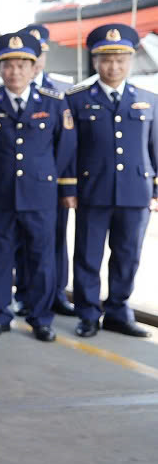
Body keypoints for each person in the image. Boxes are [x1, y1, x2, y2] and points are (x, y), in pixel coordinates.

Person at [0, 31, 74, 343]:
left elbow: (65, 148)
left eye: (21, 65)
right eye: (8, 65)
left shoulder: (54, 103)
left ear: (33, 69)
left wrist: (51, 179)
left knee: (41, 259)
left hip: (40, 195)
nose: (14, 72)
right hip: (1, 193)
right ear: (0, 69)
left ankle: (40, 318)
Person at [66, 23, 158, 339]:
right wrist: (69, 188)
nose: (113, 66)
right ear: (95, 61)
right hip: (93, 191)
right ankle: (88, 314)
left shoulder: (149, 99)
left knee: (127, 256)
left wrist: (156, 190)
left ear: (130, 60)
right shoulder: (76, 100)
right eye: (106, 59)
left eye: (120, 59)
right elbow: (70, 150)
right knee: (88, 255)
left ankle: (118, 312)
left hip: (136, 192)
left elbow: (155, 148)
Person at [21, 23, 79, 317]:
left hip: (54, 181)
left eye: (40, 53)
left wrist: (65, 183)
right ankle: (25, 293)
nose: (36, 60)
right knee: (22, 241)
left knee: (56, 239)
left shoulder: (64, 90)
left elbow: (69, 143)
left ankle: (56, 293)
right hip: (22, 182)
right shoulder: (6, 89)